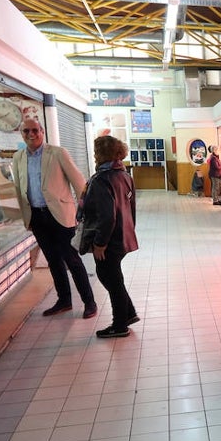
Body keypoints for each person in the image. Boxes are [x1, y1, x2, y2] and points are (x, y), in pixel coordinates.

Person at [10, 118, 97, 318]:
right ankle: (64, 300)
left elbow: (79, 182)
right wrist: (25, 217)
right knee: (53, 261)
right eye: (26, 132)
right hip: (36, 216)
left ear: (42, 131)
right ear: (21, 134)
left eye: (35, 130)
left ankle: (89, 302)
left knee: (72, 259)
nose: (31, 135)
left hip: (60, 215)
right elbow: (18, 188)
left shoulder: (57, 153)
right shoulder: (18, 157)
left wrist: (83, 212)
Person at [78, 135, 139, 338]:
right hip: (124, 235)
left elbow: (107, 216)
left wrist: (100, 243)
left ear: (102, 153)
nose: (94, 155)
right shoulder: (124, 175)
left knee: (109, 278)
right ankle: (127, 314)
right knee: (114, 277)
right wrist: (130, 230)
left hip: (110, 239)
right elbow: (131, 209)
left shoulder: (102, 180)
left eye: (96, 151)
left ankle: (120, 325)